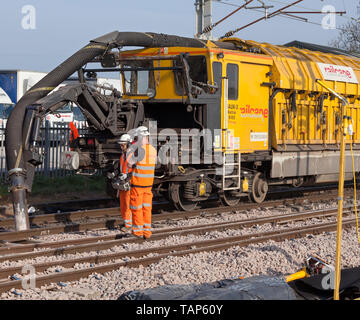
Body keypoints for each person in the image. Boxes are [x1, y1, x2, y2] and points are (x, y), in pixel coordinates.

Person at [127, 126, 157, 239]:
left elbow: (130, 164)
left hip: (138, 184)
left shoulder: (139, 150)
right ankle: (147, 232)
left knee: (136, 208)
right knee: (147, 208)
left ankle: (138, 232)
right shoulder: (153, 150)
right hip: (148, 185)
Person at [117, 133, 133, 233]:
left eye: (123, 145)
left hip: (129, 183)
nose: (121, 147)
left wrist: (127, 176)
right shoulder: (123, 155)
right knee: (123, 204)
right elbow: (121, 167)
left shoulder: (132, 156)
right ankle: (126, 222)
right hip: (123, 182)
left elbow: (135, 170)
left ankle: (129, 225)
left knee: (128, 204)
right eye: (121, 145)